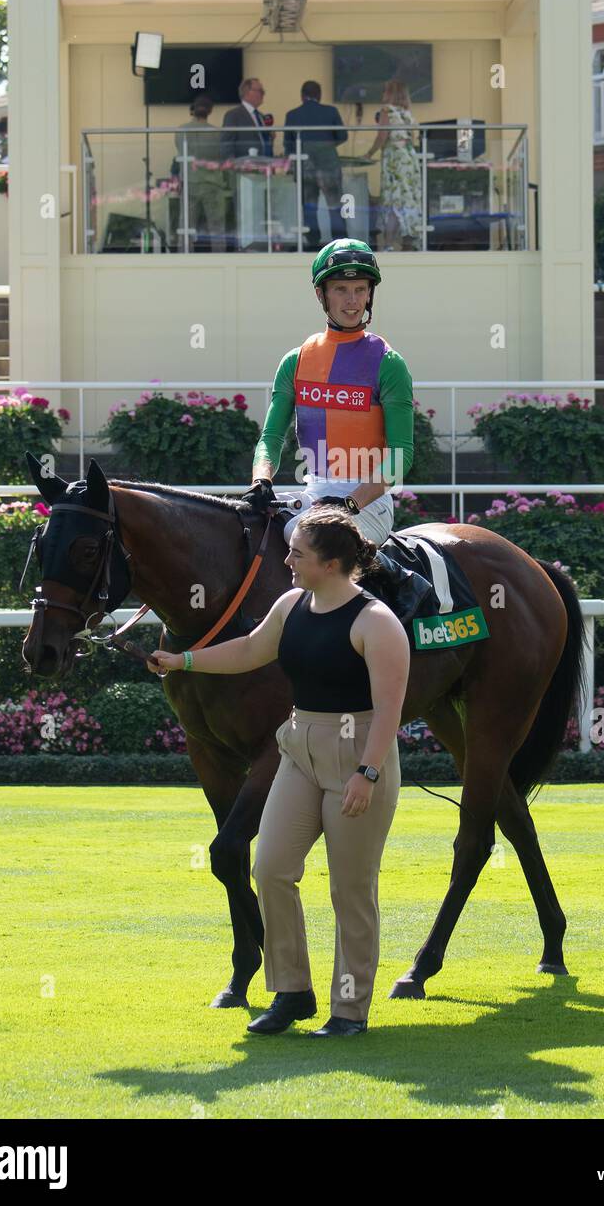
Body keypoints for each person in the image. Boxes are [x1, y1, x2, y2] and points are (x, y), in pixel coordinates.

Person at [147, 504, 410, 1035]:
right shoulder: (292, 605)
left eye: (298, 554)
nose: (286, 559)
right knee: (270, 869)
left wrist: (369, 771)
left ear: (331, 563)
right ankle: (291, 992)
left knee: (350, 890)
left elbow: (389, 710)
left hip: (356, 753)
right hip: (298, 748)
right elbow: (249, 651)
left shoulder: (376, 622)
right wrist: (183, 662)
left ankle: (349, 1009)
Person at [243, 238, 414, 552]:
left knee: (306, 535)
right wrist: (261, 480)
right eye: (341, 290)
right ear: (321, 294)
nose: (352, 301)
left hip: (369, 503)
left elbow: (401, 456)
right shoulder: (295, 362)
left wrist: (349, 504)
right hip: (315, 493)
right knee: (240, 528)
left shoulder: (389, 363)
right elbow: (271, 437)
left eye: (360, 290)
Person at [282, 80, 348, 252]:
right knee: (334, 204)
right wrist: (326, 146)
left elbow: (288, 145)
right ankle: (339, 243)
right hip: (329, 165)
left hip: (304, 166)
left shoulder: (292, 115)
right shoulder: (331, 111)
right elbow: (342, 136)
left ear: (302, 96)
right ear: (319, 95)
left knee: (309, 205)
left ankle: (312, 243)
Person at [364, 78, 423, 250]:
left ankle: (388, 243)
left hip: (394, 160)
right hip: (409, 159)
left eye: (385, 91)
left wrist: (369, 153)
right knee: (408, 200)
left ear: (391, 93)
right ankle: (408, 242)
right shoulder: (407, 113)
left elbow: (382, 136)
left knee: (393, 200)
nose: (382, 94)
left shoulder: (386, 111)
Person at [173, 94, 229, 251]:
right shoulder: (217, 133)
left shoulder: (181, 131)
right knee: (217, 228)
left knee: (186, 227)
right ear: (210, 111)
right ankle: (220, 260)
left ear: (193, 110)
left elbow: (180, 152)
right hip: (212, 184)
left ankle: (183, 258)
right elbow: (221, 158)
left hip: (189, 183)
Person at [219, 77, 274, 160]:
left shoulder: (261, 116)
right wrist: (232, 168)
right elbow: (227, 145)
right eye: (261, 91)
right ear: (248, 92)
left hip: (264, 166)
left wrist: (270, 138)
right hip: (244, 167)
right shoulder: (233, 115)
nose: (263, 94)